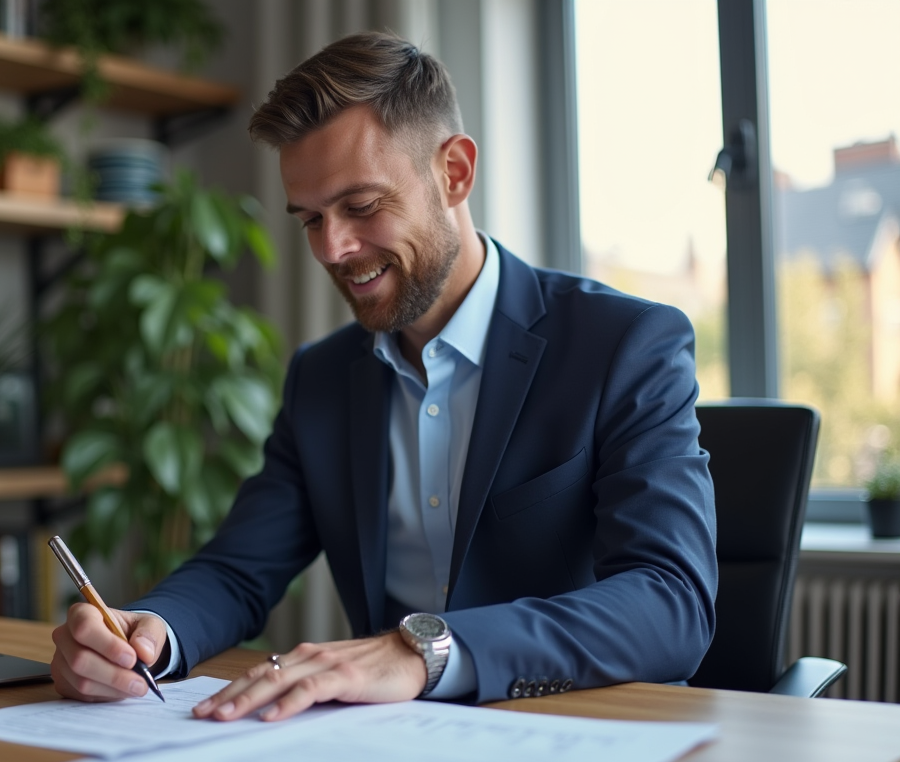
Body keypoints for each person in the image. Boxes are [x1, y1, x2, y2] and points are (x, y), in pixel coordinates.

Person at [51, 31, 718, 721]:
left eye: (363, 206)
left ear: (455, 173)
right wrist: (150, 634)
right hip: (385, 752)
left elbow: (671, 602)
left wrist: (421, 651)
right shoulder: (321, 379)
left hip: (570, 737)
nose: (334, 248)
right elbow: (238, 568)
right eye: (311, 219)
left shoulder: (624, 345)